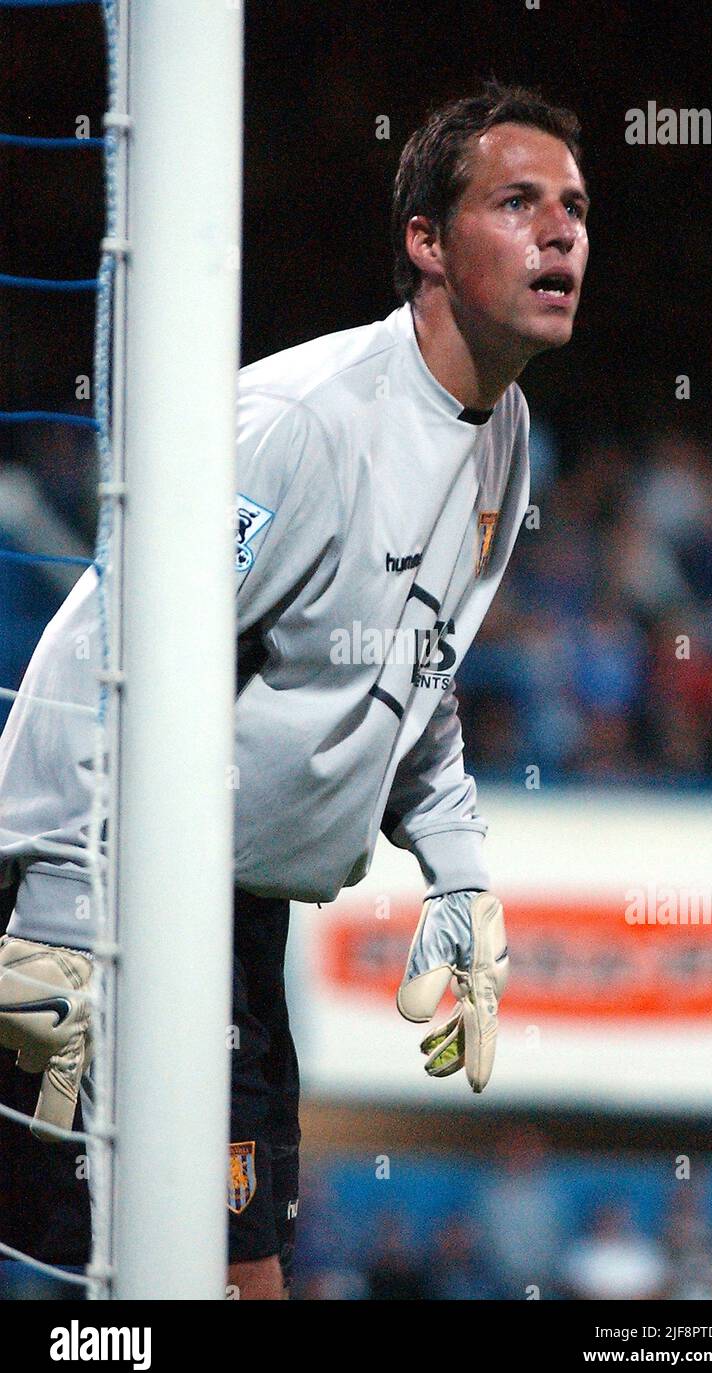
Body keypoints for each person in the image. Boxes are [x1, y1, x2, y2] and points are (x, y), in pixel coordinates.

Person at [0, 79, 589, 1300]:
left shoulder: (503, 431)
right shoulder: (299, 425)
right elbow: (102, 642)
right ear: (426, 242)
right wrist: (55, 913)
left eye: (575, 206)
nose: (562, 231)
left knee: (236, 1274)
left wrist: (461, 866)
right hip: (107, 906)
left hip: (235, 920)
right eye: (519, 201)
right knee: (72, 1289)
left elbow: (410, 671)